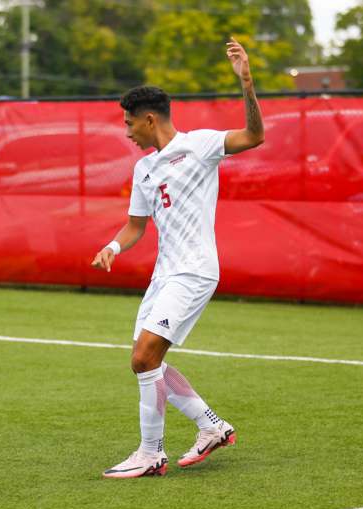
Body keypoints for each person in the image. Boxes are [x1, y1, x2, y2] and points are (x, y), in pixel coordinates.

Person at [92, 38, 264, 478]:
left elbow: (254, 136)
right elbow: (136, 226)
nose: (127, 132)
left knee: (144, 359)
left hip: (194, 271)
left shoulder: (200, 145)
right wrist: (113, 247)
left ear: (150, 120)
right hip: (164, 274)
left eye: (130, 124)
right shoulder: (143, 169)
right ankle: (212, 427)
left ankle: (151, 454)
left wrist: (246, 83)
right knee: (148, 361)